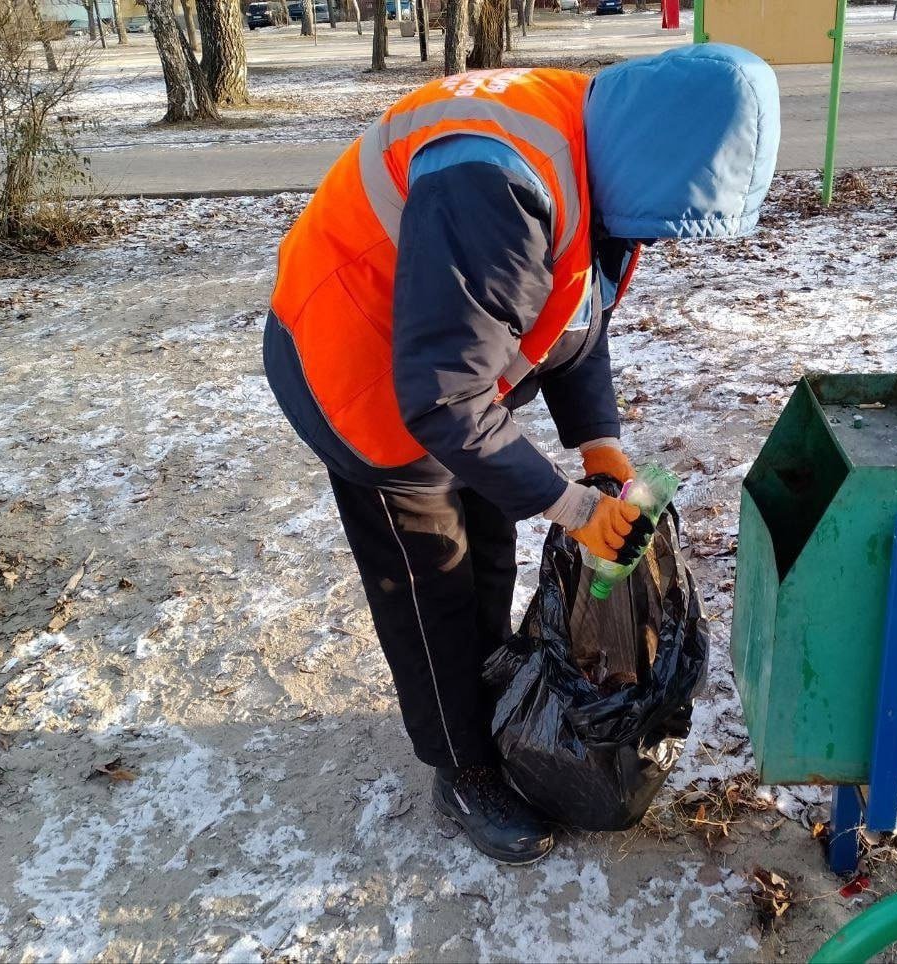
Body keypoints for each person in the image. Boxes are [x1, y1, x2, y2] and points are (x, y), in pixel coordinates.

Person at [263, 44, 779, 864]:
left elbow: (579, 311)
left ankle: (486, 682)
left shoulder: (601, 151)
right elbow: (440, 399)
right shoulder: (501, 182)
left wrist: (600, 450)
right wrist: (574, 509)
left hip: (444, 373)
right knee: (432, 576)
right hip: (352, 367)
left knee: (492, 533)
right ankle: (460, 764)